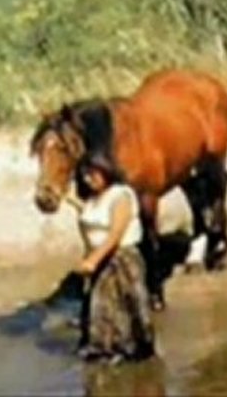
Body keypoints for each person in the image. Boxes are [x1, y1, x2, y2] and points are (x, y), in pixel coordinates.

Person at [73, 152, 156, 364]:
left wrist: (94, 259)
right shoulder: (91, 201)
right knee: (101, 307)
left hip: (122, 259)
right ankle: (104, 349)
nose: (88, 179)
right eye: (84, 175)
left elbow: (115, 234)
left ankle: (133, 351)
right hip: (100, 259)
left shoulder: (120, 195)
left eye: (92, 174)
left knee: (128, 306)